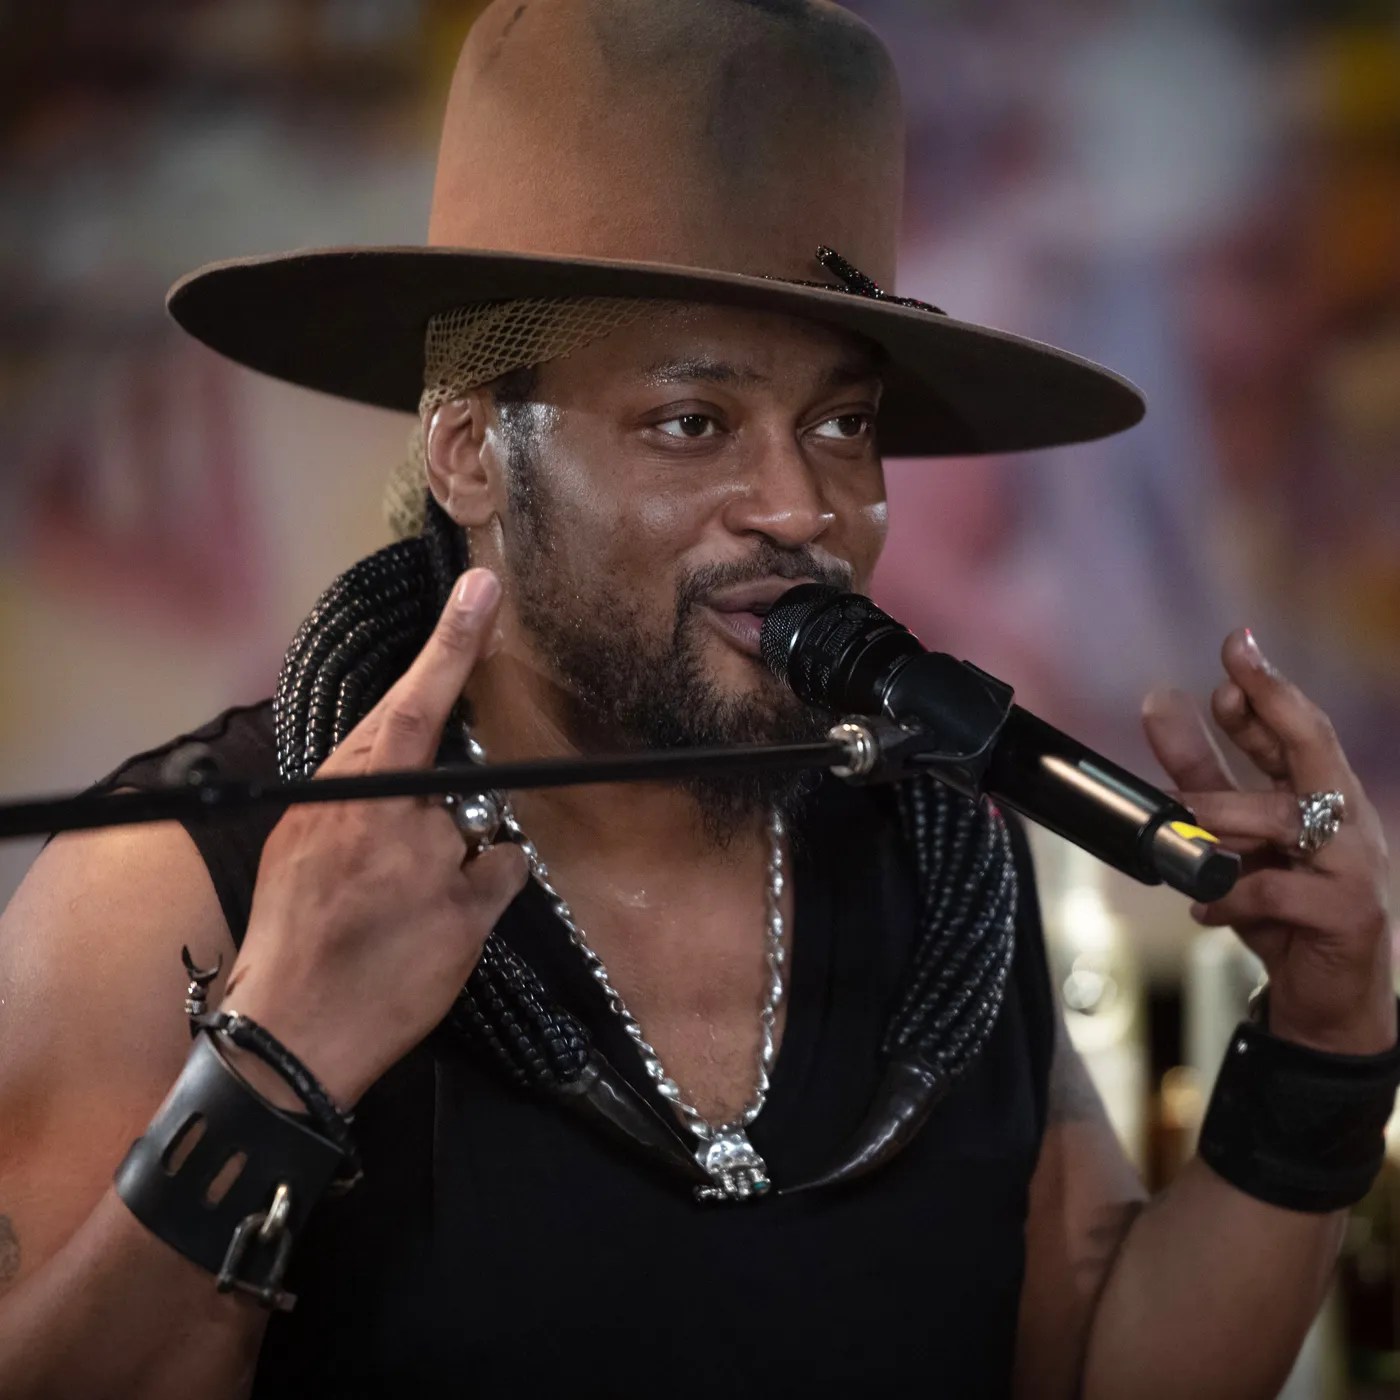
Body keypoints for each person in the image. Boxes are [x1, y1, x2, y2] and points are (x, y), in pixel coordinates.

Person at [0, 2, 1393, 1396]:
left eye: (842, 424)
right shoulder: (179, 886)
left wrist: (1325, 1046)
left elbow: (1095, 1371)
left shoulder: (945, 875)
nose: (801, 506)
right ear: (472, 453)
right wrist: (273, 1064)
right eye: (693, 422)